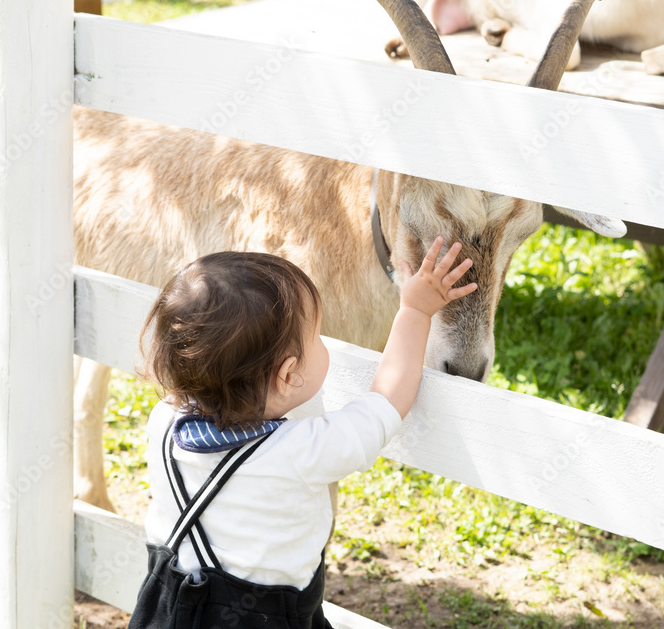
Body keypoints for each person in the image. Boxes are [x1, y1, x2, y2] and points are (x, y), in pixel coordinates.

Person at [129, 237, 477, 628]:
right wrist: (415, 312)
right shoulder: (299, 453)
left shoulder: (162, 422)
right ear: (288, 375)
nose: (322, 342)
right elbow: (385, 403)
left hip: (168, 609)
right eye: (316, 337)